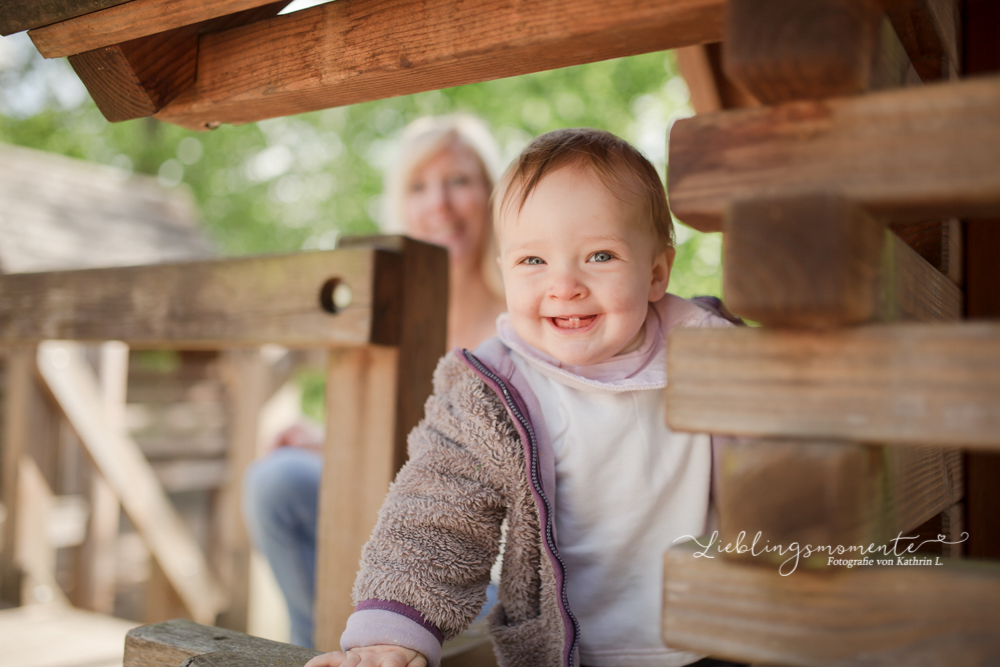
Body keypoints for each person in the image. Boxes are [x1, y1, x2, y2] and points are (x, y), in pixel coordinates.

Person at [304, 129, 740, 667]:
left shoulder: (711, 350)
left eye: (600, 255)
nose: (564, 285)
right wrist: (393, 634)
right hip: (570, 654)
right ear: (504, 266)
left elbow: (787, 464)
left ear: (656, 273)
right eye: (533, 261)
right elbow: (437, 512)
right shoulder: (493, 390)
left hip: (718, 643)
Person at [242, 115, 507, 649]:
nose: (440, 204)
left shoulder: (525, 314)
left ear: (491, 193)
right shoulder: (392, 313)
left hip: (487, 564)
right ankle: (316, 651)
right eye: (418, 187)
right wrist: (332, 446)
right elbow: (413, 449)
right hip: (401, 537)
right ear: (400, 205)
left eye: (458, 181)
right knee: (278, 480)